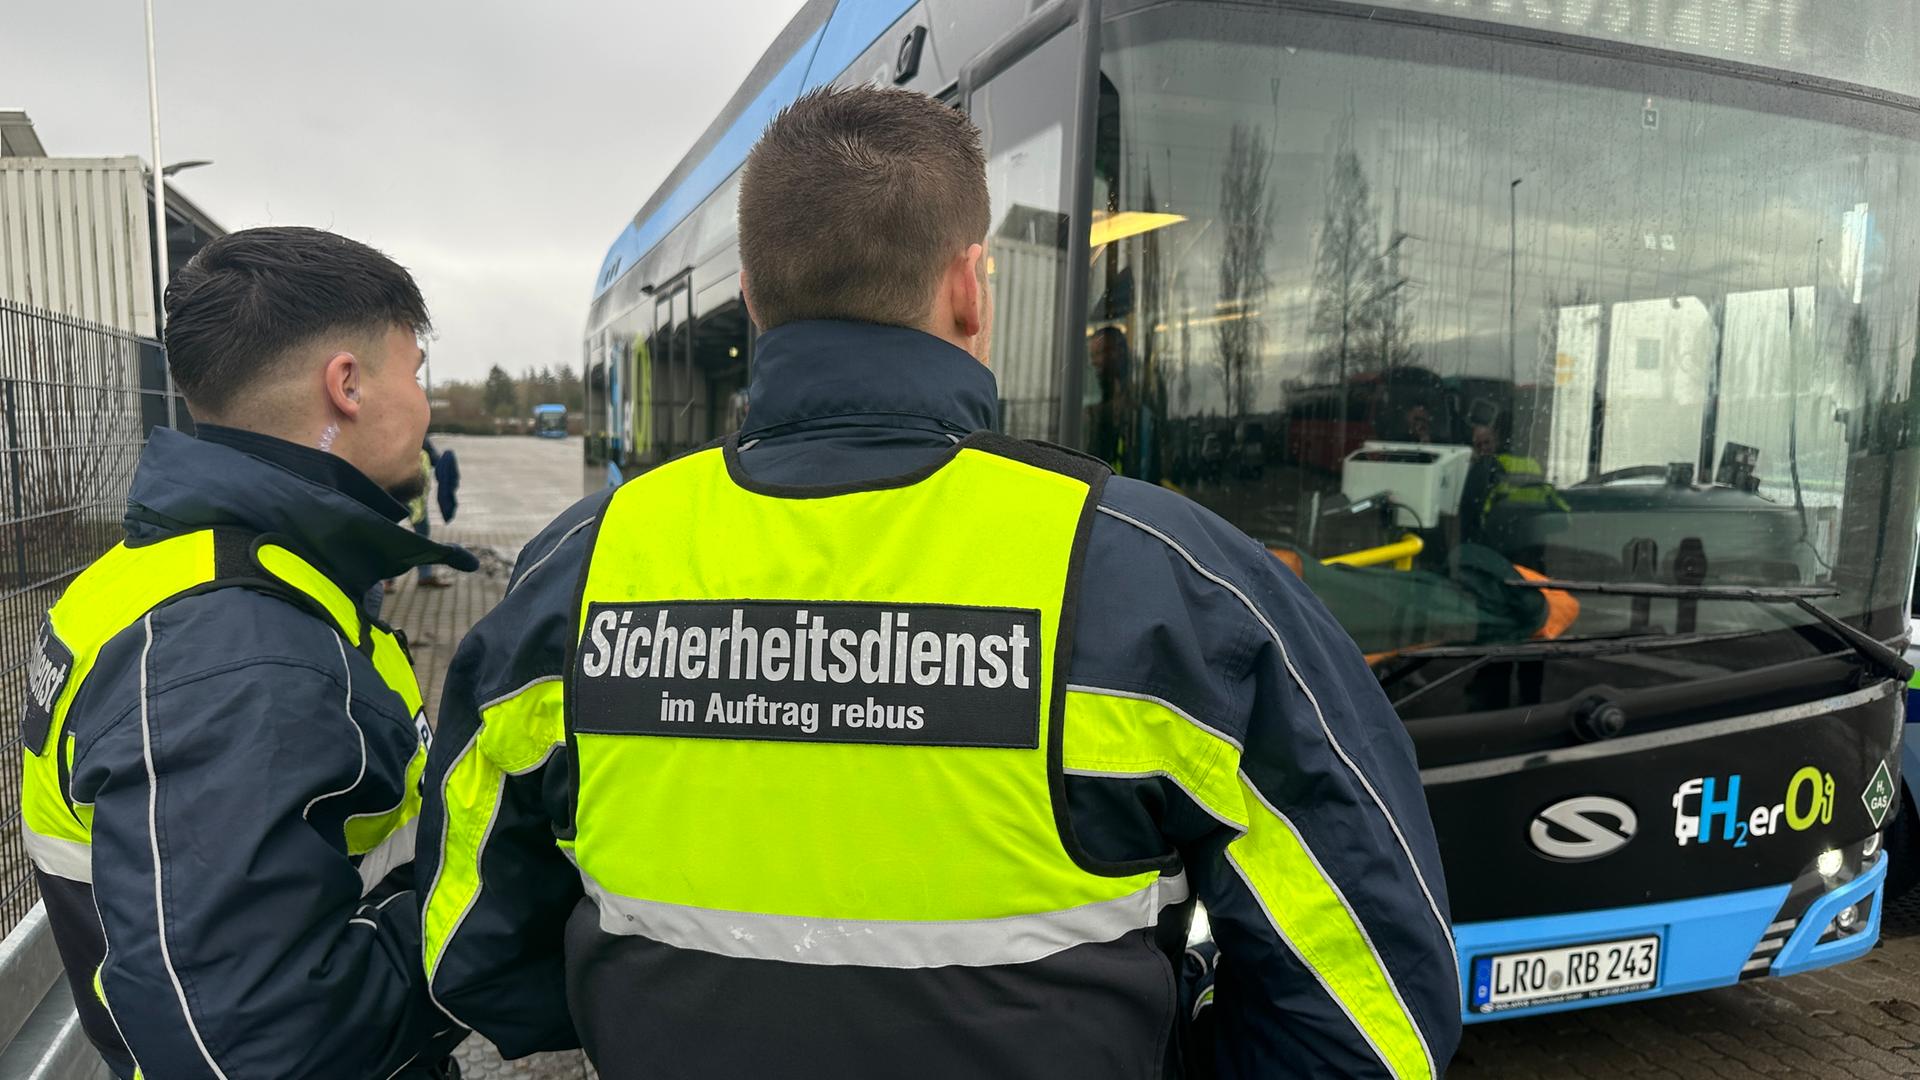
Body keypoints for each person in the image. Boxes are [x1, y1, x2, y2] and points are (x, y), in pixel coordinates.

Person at [417, 86, 1459, 1080]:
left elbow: (467, 950)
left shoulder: (578, 571)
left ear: (751, 299)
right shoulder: (1168, 581)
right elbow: (1377, 1016)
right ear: (969, 284)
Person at [18, 226, 475, 1078]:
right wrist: (488, 913)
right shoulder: (242, 654)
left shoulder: (162, 572)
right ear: (347, 384)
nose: (424, 404)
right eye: (415, 373)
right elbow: (252, 1046)